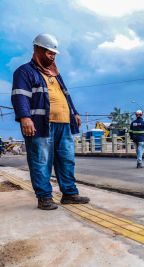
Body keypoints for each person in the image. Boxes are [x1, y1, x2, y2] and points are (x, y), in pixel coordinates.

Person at [11, 33, 90, 210]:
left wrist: (74, 112)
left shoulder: (55, 74)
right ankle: (44, 197)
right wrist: (25, 118)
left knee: (66, 160)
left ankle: (69, 194)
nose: (52, 56)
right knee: (41, 161)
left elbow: (65, 96)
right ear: (37, 49)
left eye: (54, 54)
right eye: (49, 53)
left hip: (64, 124)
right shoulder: (24, 72)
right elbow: (20, 97)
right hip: (40, 125)